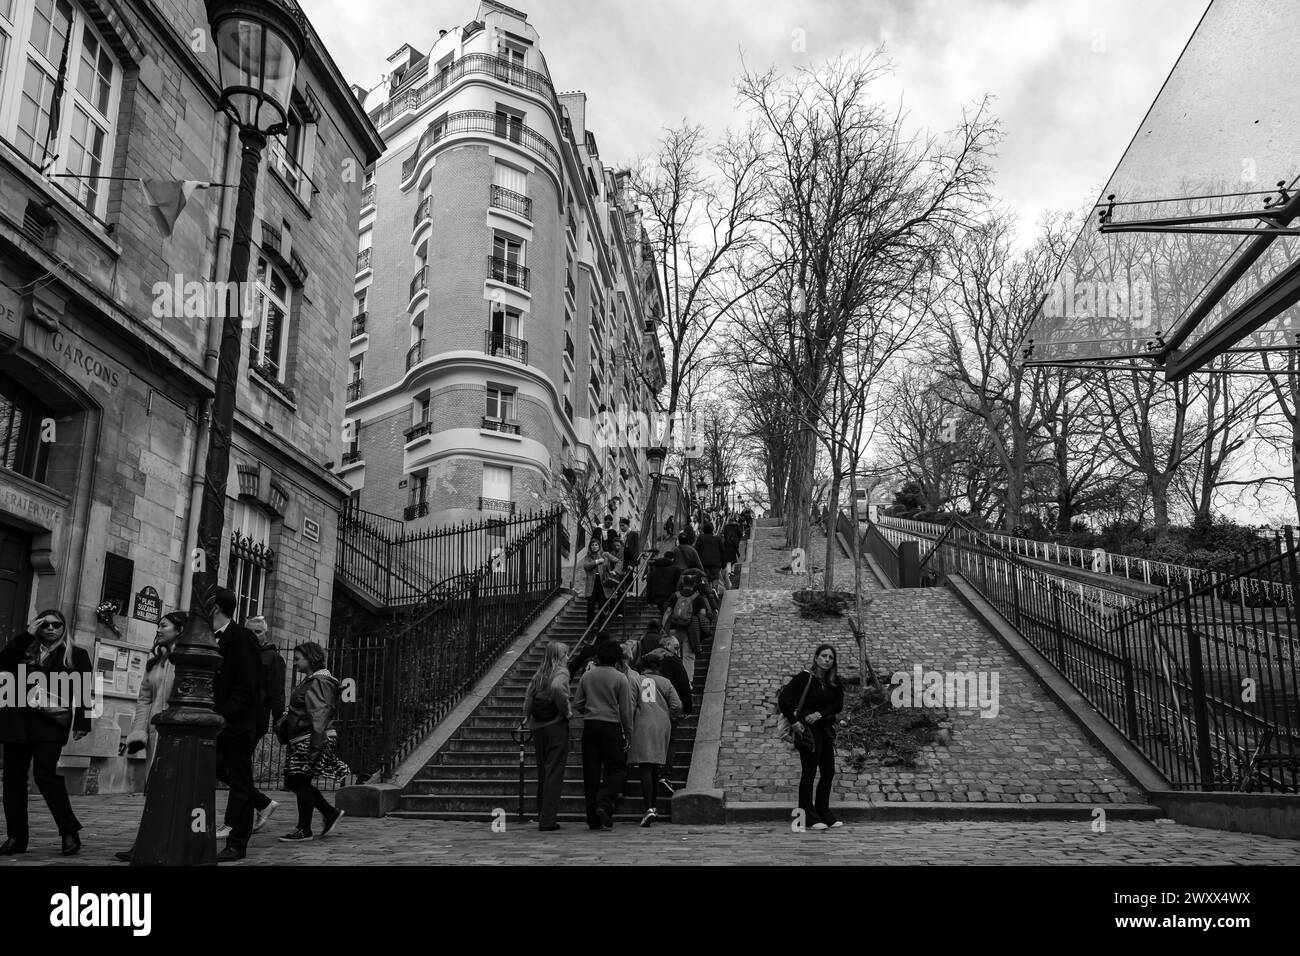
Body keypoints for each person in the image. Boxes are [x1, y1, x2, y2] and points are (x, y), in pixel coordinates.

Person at [0, 610, 92, 856]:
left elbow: (84, 690)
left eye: (56, 624)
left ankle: (69, 831)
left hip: (51, 723)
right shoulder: (24, 650)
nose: (51, 628)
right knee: (13, 781)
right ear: (38, 627)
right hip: (17, 723)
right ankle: (16, 838)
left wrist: (83, 722)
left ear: (64, 628)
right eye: (45, 624)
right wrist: (25, 635)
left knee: (44, 775)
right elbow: (2, 664)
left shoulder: (76, 655)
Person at [115, 611, 185, 863]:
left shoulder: (188, 657)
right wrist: (139, 731)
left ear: (179, 629)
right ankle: (146, 841)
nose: (158, 629)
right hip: (156, 732)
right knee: (154, 789)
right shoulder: (157, 658)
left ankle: (174, 842)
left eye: (163, 625)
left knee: (175, 790)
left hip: (180, 733)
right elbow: (144, 698)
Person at [277, 642, 348, 842]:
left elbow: (320, 714)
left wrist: (316, 745)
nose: (295, 663)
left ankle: (305, 828)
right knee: (296, 780)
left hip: (310, 737)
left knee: (299, 780)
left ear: (311, 658)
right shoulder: (312, 680)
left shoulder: (320, 681)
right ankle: (328, 813)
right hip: (305, 736)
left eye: (299, 658)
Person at [212, 588, 264, 862]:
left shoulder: (241, 638)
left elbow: (249, 686)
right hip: (209, 726)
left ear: (215, 608)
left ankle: (237, 844)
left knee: (241, 785)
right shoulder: (206, 638)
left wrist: (222, 714)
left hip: (234, 726)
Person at [220, 615, 282, 839]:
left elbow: (276, 692)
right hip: (234, 720)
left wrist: (279, 721)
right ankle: (261, 802)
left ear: (266, 634)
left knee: (237, 769)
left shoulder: (272, 657)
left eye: (258, 632)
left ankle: (232, 823)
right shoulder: (240, 653)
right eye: (250, 631)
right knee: (227, 768)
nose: (253, 635)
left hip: (253, 722)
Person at [778, 644, 845, 831]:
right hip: (806, 730)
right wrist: (793, 721)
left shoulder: (834, 681)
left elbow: (838, 704)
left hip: (824, 729)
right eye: (824, 656)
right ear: (816, 658)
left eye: (831, 657)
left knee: (828, 771)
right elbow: (784, 700)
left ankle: (824, 813)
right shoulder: (804, 677)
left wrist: (820, 714)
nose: (827, 660)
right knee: (809, 772)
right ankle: (808, 816)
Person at [574, 640, 634, 830]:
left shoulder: (587, 676)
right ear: (617, 657)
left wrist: (590, 710)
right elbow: (625, 710)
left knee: (590, 773)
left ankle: (593, 819)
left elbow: (577, 703)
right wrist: (628, 733)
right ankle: (604, 801)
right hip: (611, 726)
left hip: (591, 725)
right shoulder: (620, 678)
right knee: (618, 769)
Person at [522, 640, 571, 832]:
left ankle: (541, 812)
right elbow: (559, 689)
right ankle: (548, 819)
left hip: (538, 726)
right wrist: (566, 711)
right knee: (554, 772)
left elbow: (528, 696)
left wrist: (526, 717)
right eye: (566, 654)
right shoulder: (561, 672)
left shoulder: (539, 673)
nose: (568, 657)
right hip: (555, 725)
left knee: (543, 771)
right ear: (560, 657)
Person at [629, 653, 682, 827]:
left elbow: (630, 705)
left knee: (645, 765)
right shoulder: (666, 682)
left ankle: (649, 807)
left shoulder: (637, 680)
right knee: (655, 765)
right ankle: (653, 807)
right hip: (662, 724)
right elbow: (677, 705)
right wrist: (669, 716)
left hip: (643, 723)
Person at [661, 577, 711, 683]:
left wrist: (663, 627)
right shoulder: (698, 597)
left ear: (683, 583)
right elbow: (703, 614)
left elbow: (668, 611)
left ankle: (672, 680)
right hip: (690, 631)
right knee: (688, 657)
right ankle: (688, 682)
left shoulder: (675, 595)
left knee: (672, 655)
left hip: (674, 630)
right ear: (693, 585)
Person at [582, 538, 612, 627]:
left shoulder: (604, 556)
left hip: (602, 584)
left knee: (602, 606)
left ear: (599, 546)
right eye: (592, 545)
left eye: (596, 545)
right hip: (592, 585)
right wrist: (597, 561)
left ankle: (601, 627)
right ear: (590, 547)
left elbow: (608, 569)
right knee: (590, 605)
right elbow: (586, 566)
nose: (594, 547)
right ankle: (590, 628)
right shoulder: (587, 557)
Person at [645, 548, 681, 617]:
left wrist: (649, 600)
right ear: (672, 559)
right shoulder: (676, 569)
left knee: (663, 614)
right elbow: (678, 584)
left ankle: (662, 625)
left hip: (657, 596)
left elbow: (649, 585)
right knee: (668, 616)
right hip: (670, 596)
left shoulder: (654, 569)